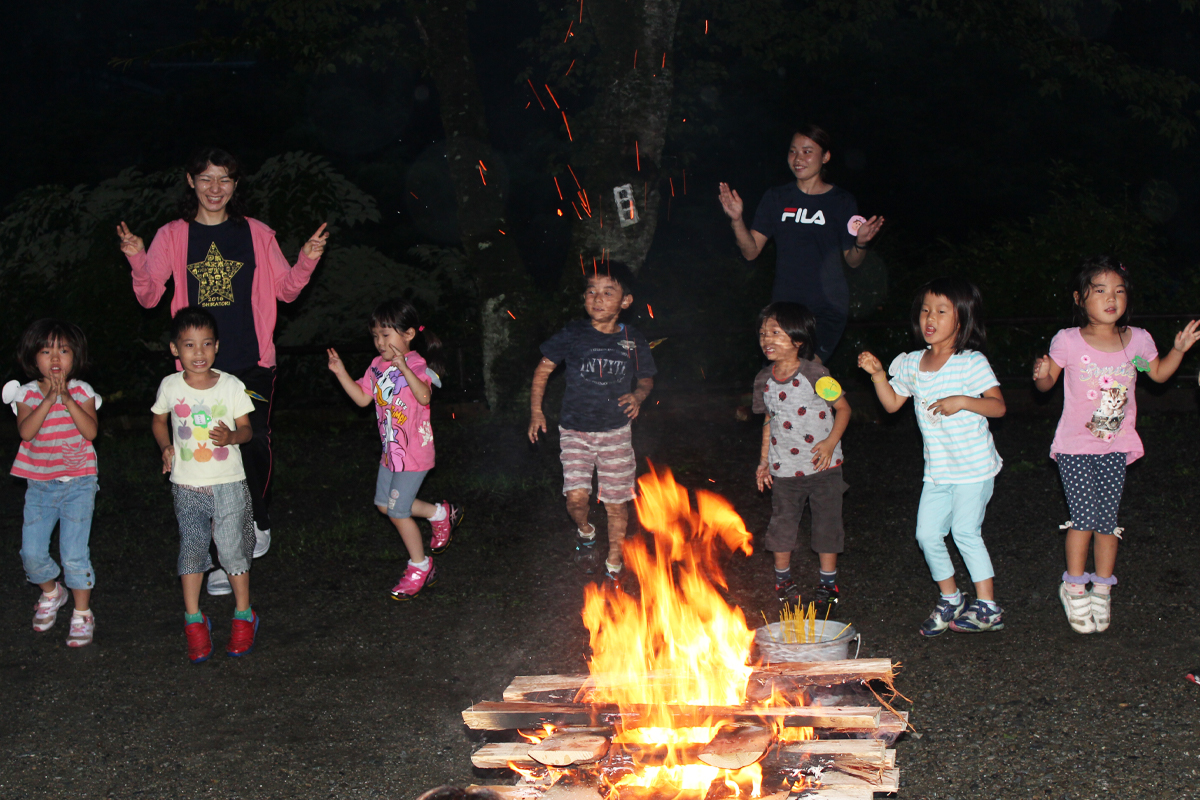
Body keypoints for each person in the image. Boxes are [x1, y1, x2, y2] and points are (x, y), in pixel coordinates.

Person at [117, 146, 329, 595]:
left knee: (253, 446)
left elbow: (288, 291)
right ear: (190, 181)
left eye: (226, 179)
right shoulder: (172, 235)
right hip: (195, 369)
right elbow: (150, 296)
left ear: (236, 185)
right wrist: (137, 257)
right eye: (207, 178)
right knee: (204, 463)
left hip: (250, 364)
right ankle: (218, 563)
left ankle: (257, 519)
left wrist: (307, 258)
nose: (216, 188)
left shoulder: (255, 233)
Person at [1032, 257, 1199, 634]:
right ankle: (1074, 585)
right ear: (1079, 298)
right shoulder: (1068, 340)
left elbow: (1156, 375)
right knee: (1084, 517)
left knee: (1107, 521)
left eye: (1119, 291)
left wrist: (1179, 350)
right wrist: (1041, 375)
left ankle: (1102, 589)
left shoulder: (1136, 341)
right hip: (1075, 444)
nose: (1112, 298)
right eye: (1101, 290)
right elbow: (1046, 384)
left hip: (1116, 444)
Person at [858, 277, 1006, 636]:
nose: (930, 317)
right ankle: (951, 598)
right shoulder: (911, 363)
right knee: (926, 534)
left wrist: (963, 401)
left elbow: (999, 407)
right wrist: (879, 375)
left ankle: (988, 607)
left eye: (941, 311)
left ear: (961, 319)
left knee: (965, 531)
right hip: (938, 471)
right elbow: (892, 404)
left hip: (974, 468)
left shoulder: (970, 363)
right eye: (926, 309)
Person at [528, 263, 656, 587]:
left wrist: (639, 395)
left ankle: (615, 557)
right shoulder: (573, 334)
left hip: (615, 432)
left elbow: (646, 379)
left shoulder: (632, 339)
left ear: (625, 301)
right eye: (591, 291)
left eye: (607, 292)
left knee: (616, 501)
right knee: (576, 498)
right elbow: (543, 369)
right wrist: (536, 412)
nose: (597, 298)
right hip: (575, 431)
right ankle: (585, 530)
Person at [327, 299, 462, 601]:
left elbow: (425, 397)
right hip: (391, 453)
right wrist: (340, 373)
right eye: (375, 335)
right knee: (384, 506)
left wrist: (403, 367)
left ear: (409, 334)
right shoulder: (376, 366)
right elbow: (362, 399)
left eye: (386, 335)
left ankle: (421, 565)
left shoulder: (415, 364)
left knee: (398, 511)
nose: (379, 342)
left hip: (415, 454)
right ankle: (440, 513)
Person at [719, 125, 884, 363]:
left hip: (827, 307)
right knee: (779, 382)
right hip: (784, 310)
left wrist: (860, 242)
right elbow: (751, 251)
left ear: (825, 156)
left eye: (807, 152)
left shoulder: (842, 202)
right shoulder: (776, 198)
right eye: (793, 151)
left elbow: (853, 260)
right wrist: (737, 220)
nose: (798, 159)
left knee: (807, 376)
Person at [151, 307, 259, 663]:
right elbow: (158, 421)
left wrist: (231, 435)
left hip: (227, 482)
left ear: (216, 347)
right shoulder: (170, 385)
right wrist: (166, 447)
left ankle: (243, 614)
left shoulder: (230, 385)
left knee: (231, 551)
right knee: (192, 551)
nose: (198, 353)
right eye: (189, 345)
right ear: (174, 350)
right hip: (186, 485)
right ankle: (194, 620)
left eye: (206, 344)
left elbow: (247, 430)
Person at [4, 320, 100, 647]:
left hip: (79, 483)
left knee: (74, 553)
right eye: (46, 351)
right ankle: (52, 593)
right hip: (41, 485)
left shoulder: (84, 391)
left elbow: (90, 432)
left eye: (63, 350)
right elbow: (26, 432)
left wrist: (68, 398)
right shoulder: (26, 394)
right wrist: (49, 399)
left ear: (75, 356)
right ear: (34, 357)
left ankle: (82, 613)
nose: (55, 357)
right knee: (31, 552)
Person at [752, 302, 850, 613]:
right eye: (764, 332)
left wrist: (829, 443)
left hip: (824, 468)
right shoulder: (762, 380)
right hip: (784, 471)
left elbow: (844, 409)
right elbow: (769, 420)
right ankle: (783, 581)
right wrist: (763, 462)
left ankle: (828, 584)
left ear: (798, 340)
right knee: (782, 526)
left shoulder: (815, 373)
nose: (767, 339)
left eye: (776, 333)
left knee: (826, 525)